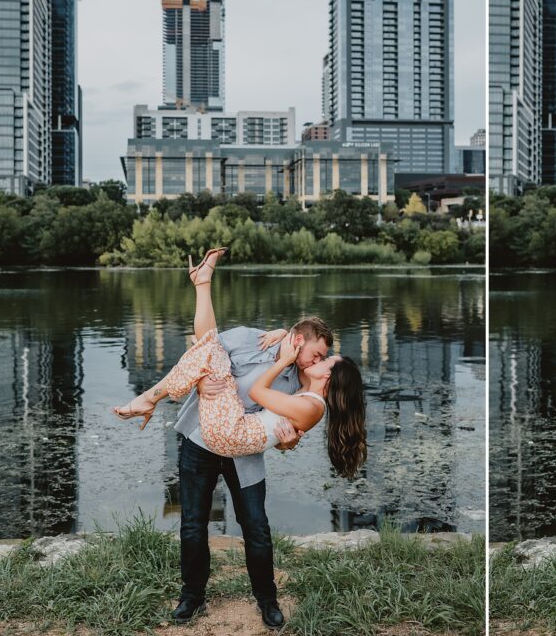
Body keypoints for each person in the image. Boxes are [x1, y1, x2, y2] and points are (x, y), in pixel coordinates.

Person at [112, 247, 367, 628]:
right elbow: (204, 345)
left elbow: (291, 429)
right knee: (194, 523)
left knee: (256, 527)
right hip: (199, 438)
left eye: (321, 359)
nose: (316, 363)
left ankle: (267, 600)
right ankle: (192, 597)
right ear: (298, 339)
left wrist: (288, 442)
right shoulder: (252, 339)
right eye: (316, 354)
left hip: (243, 455)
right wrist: (201, 385)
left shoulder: (301, 383)